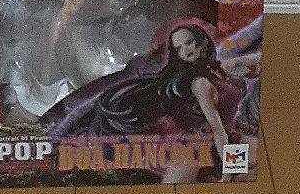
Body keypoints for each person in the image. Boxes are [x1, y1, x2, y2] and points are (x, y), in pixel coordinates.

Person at [44, 22, 255, 183]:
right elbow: (218, 130)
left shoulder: (216, 70)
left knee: (252, 160)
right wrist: (228, 174)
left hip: (218, 141)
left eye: (189, 43)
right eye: (179, 48)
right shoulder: (200, 84)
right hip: (191, 145)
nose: (186, 50)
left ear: (202, 43)